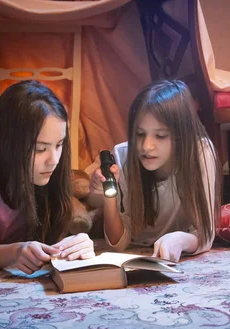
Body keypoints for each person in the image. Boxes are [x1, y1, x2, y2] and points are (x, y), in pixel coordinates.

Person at [0, 80, 94, 274]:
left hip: (10, 231)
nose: (53, 160)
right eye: (40, 149)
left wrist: (75, 245)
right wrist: (16, 251)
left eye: (59, 144)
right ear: (9, 144)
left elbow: (51, 239)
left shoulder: (52, 168)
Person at [87, 79, 221, 262]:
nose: (146, 146)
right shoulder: (123, 155)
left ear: (182, 135)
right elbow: (117, 244)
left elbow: (206, 232)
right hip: (136, 244)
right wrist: (109, 197)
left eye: (160, 135)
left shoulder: (200, 153)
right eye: (140, 134)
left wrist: (181, 240)